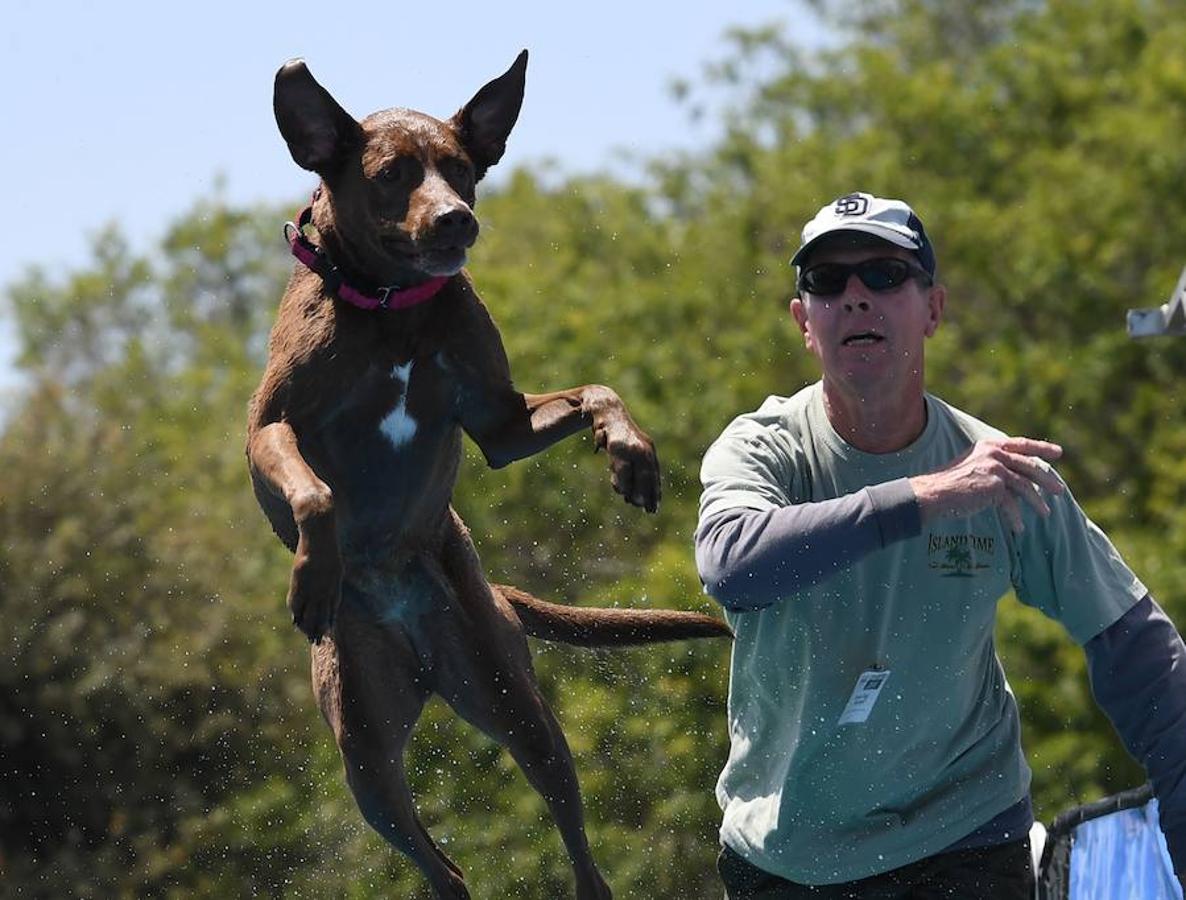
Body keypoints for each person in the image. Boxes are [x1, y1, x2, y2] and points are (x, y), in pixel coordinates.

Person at [694, 192, 1186, 898]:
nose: (857, 296)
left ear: (933, 309)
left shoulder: (1002, 470)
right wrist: (924, 498)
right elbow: (733, 565)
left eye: (885, 275)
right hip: (788, 854)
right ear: (805, 321)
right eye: (828, 282)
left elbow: (1140, 653)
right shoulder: (763, 449)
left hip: (966, 835)